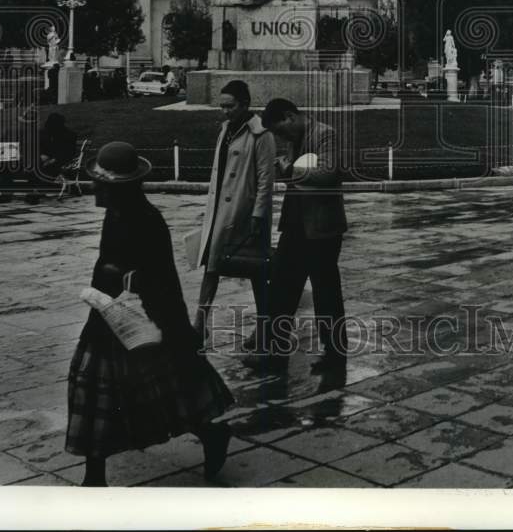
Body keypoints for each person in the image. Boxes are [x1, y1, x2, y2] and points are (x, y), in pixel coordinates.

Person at [65, 141, 234, 486]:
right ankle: (94, 476)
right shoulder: (116, 214)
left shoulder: (146, 220)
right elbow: (106, 264)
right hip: (109, 314)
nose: (94, 187)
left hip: (143, 317)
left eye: (101, 182)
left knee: (166, 389)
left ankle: (211, 434)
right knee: (95, 388)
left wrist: (171, 326)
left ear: (118, 187)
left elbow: (162, 280)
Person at [245, 98, 348, 375]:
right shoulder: (296, 138)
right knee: (281, 290)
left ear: (290, 117)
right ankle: (273, 354)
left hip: (322, 229)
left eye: (280, 130)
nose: (280, 137)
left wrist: (289, 169)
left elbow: (328, 173)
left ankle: (335, 354)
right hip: (294, 226)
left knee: (326, 294)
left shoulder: (325, 134)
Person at [194, 81, 275, 347]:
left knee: (256, 271)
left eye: (230, 106)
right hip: (220, 210)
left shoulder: (261, 134)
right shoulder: (226, 130)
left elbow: (266, 178)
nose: (225, 111)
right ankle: (199, 323)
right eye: (222, 106)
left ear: (245, 105)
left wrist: (258, 215)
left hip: (245, 212)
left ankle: (265, 329)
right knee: (211, 266)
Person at [39, 112, 78, 177]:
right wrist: (41, 155)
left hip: (60, 160)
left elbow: (69, 153)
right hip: (44, 160)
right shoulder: (43, 133)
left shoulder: (69, 135)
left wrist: (53, 160)